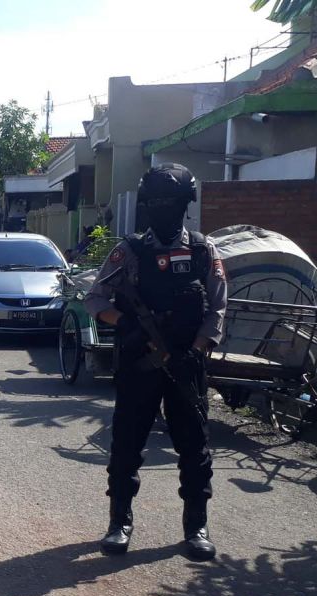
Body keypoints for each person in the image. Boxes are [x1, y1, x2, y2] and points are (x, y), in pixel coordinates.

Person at [84, 164, 227, 561]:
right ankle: (119, 522)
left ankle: (196, 526)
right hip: (139, 363)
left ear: (185, 204)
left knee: (195, 447)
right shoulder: (130, 250)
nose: (164, 209)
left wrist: (196, 349)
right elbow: (95, 298)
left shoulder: (203, 250)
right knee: (126, 445)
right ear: (147, 205)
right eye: (157, 202)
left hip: (187, 364)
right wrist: (125, 322)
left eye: (172, 202)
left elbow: (217, 307)